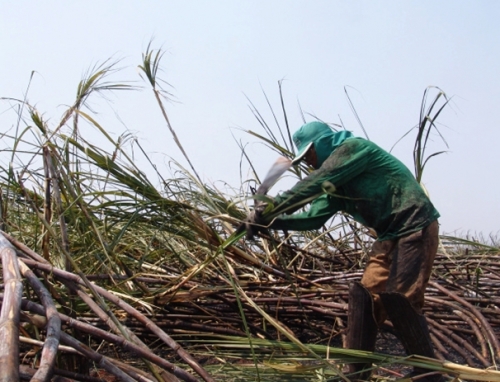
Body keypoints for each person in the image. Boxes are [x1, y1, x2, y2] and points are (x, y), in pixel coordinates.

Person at [246, 121, 442, 381]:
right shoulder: (338, 184)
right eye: (305, 158)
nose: (309, 162)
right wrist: (269, 222)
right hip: (388, 235)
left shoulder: (353, 149)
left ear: (322, 143)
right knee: (366, 297)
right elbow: (313, 219)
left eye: (310, 154)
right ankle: (358, 373)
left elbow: (319, 180)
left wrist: (272, 207)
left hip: (415, 224)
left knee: (402, 298)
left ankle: (429, 373)